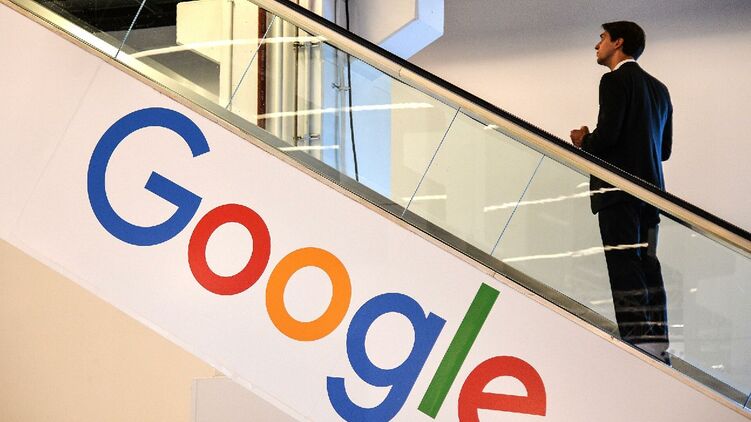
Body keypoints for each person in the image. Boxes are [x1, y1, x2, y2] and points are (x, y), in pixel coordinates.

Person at [570, 21, 673, 363]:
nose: (596, 45)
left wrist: (584, 140)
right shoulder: (660, 90)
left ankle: (636, 340)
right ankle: (657, 339)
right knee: (648, 264)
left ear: (618, 42)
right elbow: (664, 150)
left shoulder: (613, 81)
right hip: (652, 195)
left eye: (601, 38)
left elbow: (608, 137)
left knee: (623, 264)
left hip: (618, 192)